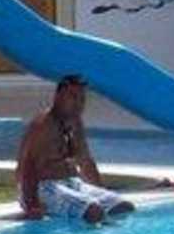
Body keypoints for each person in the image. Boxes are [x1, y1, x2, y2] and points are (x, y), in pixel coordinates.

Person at [15, 74, 134, 225]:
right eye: (73, 97)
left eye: (82, 99)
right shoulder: (43, 125)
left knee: (123, 207)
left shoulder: (75, 122)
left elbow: (85, 161)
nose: (78, 103)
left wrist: (102, 193)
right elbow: (27, 166)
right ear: (58, 97)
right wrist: (32, 206)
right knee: (94, 212)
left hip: (71, 183)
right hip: (44, 188)